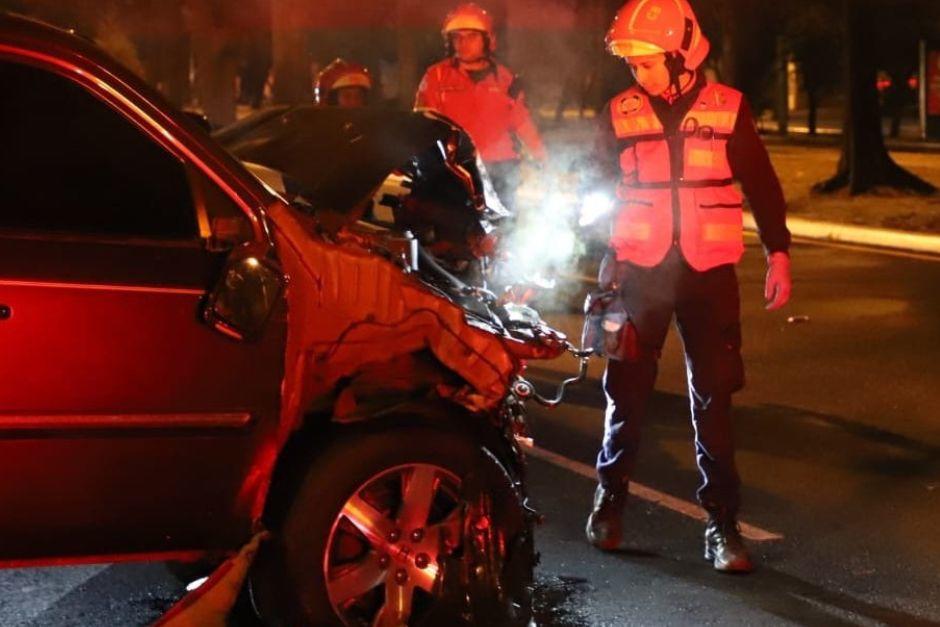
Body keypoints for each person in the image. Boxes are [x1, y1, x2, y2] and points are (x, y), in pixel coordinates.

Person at [584, 0, 792, 573]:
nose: (638, 74)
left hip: (708, 277)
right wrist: (585, 240)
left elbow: (763, 184)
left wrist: (780, 252)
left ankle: (723, 525)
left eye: (648, 63)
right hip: (638, 273)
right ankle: (609, 500)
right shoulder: (619, 112)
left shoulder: (729, 109)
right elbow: (592, 184)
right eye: (632, 64)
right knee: (624, 393)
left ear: (683, 56)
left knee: (715, 400)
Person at [414, 2, 547, 205]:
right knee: (455, 231)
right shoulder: (436, 77)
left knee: (502, 231)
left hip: (500, 170)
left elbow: (522, 123)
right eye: (457, 37)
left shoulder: (506, 79)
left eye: (471, 36)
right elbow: (421, 124)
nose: (463, 43)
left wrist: (543, 160)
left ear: (488, 40)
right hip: (453, 171)